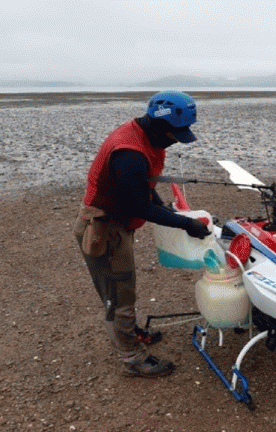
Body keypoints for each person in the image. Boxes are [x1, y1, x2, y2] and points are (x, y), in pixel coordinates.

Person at [73, 90, 211, 378]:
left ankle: (130, 332)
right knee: (119, 294)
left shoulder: (144, 135)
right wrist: (186, 224)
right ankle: (132, 359)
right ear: (159, 125)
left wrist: (168, 211)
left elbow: (143, 189)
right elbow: (140, 205)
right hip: (103, 229)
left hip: (118, 222)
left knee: (121, 287)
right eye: (175, 134)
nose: (176, 140)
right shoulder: (129, 154)